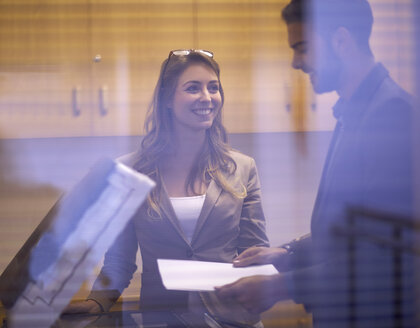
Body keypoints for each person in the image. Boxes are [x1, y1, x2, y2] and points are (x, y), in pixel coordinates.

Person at [215, 0, 416, 327]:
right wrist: (288, 253)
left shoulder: (391, 116)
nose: (296, 62)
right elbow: (349, 231)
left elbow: (378, 256)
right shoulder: (353, 111)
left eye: (303, 48)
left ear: (341, 40)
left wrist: (279, 287)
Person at [65, 49, 269, 325]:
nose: (207, 98)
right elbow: (119, 259)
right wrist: (97, 301)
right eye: (193, 88)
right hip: (163, 319)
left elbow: (255, 250)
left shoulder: (243, 168)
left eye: (214, 88)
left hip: (232, 319)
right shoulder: (128, 172)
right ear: (167, 100)